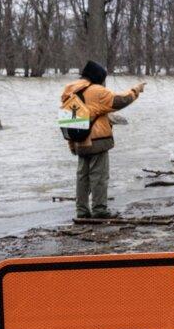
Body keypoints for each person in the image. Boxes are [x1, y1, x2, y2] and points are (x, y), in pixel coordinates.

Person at [60, 61, 145, 219]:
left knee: (82, 178)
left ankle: (82, 212)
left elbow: (67, 121)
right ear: (98, 76)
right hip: (97, 141)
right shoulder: (97, 91)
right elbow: (121, 100)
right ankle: (99, 210)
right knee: (99, 177)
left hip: (79, 141)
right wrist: (136, 90)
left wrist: (72, 145)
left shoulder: (69, 91)